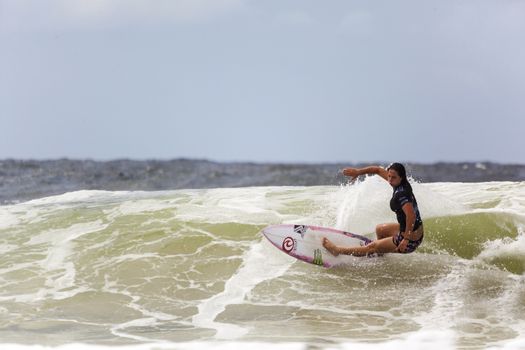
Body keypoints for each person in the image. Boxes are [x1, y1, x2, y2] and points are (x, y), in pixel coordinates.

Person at [323, 163, 423, 256]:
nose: (390, 180)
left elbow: (411, 216)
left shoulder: (402, 193)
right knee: (380, 229)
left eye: (393, 177)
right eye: (389, 176)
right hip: (411, 232)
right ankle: (380, 253)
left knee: (371, 247)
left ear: (401, 177)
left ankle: (337, 250)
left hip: (410, 240)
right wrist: (358, 172)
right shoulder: (400, 183)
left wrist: (406, 239)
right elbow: (377, 170)